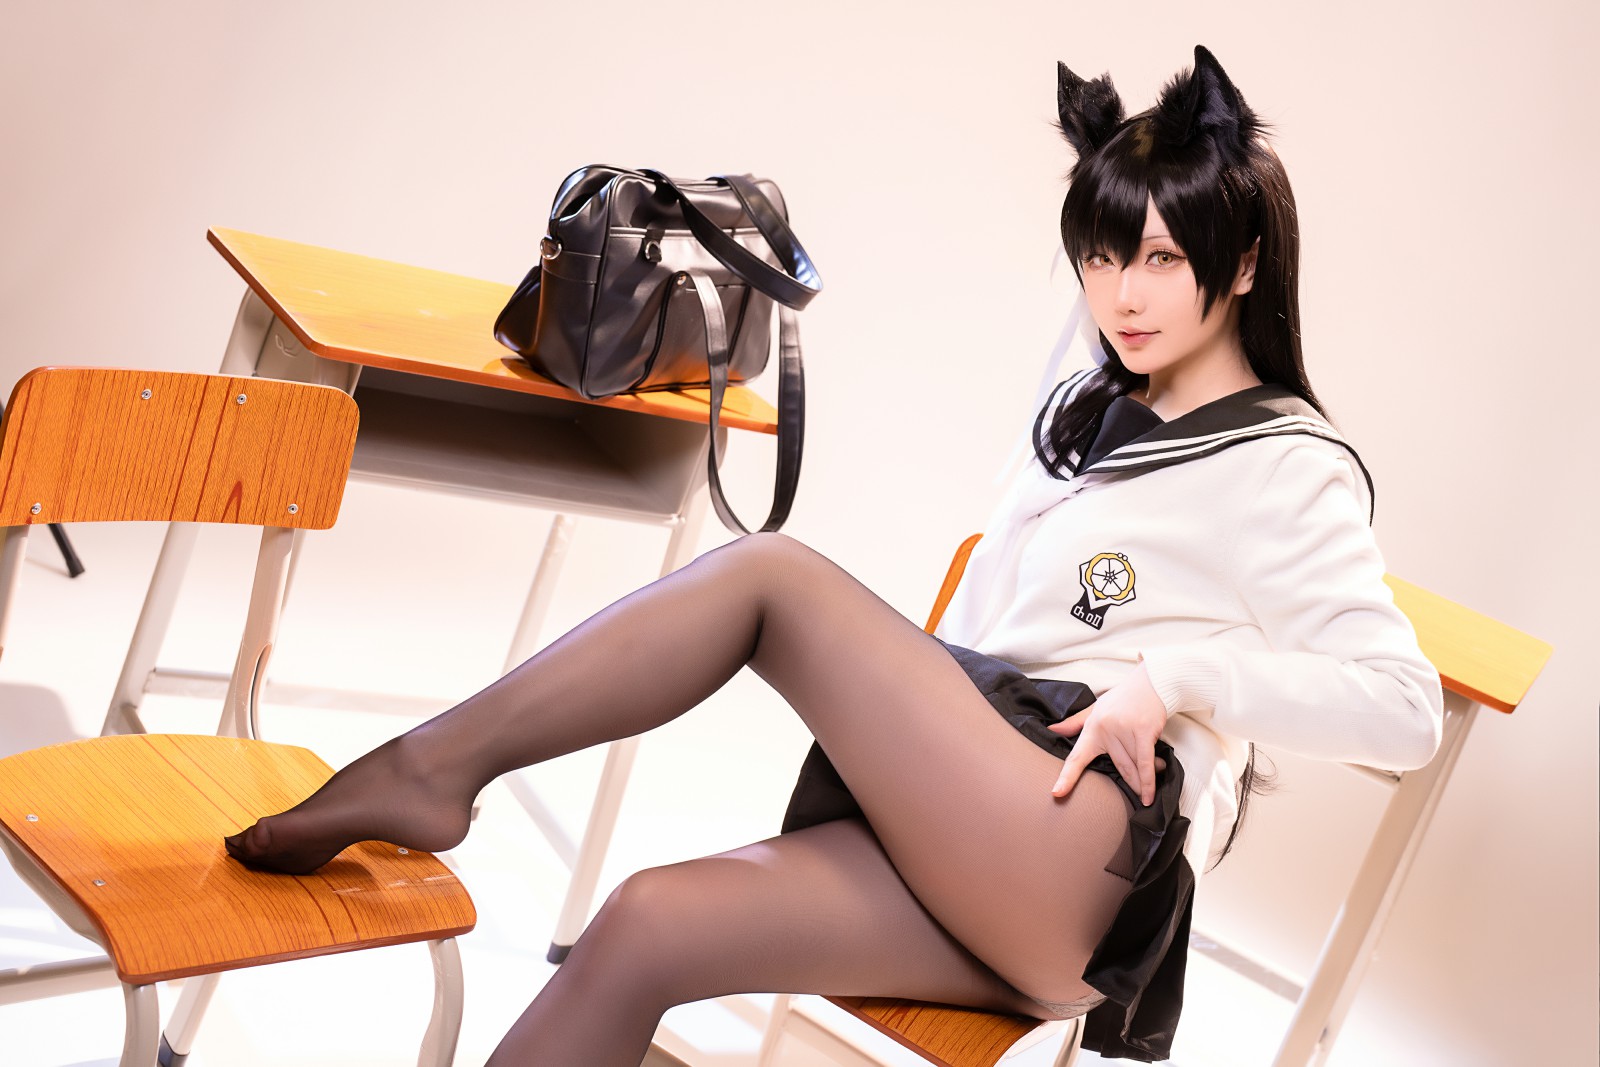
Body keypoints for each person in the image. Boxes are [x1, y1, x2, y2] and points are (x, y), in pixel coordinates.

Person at [224, 45, 1443, 1065]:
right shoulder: (1097, 395)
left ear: (1242, 264)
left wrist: (1177, 679)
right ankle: (429, 777)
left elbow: (1403, 709)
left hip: (1077, 845)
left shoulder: (1289, 466)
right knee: (646, 920)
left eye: (1163, 260)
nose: (1121, 294)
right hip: (980, 816)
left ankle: (428, 769)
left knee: (772, 575)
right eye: (1099, 256)